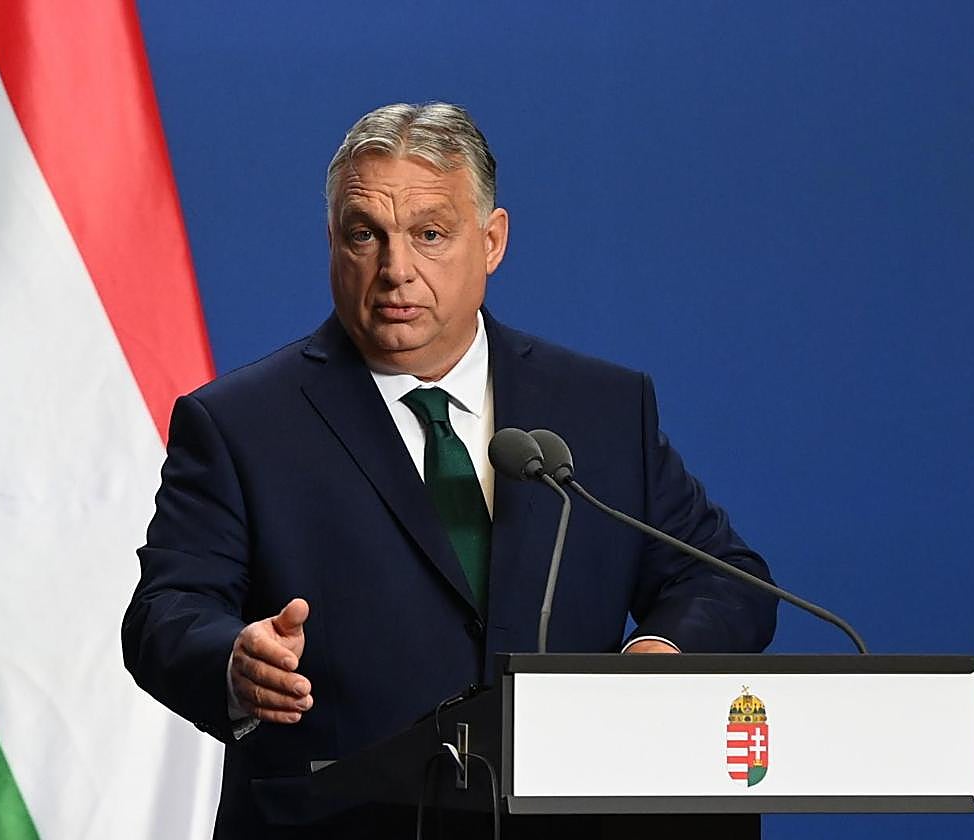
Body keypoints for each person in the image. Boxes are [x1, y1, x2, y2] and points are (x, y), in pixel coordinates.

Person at [122, 102, 776, 839]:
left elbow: (723, 577)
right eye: (364, 235)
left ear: (492, 242)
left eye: (430, 235)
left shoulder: (601, 408)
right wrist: (236, 663)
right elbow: (164, 614)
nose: (396, 270)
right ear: (332, 242)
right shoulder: (239, 424)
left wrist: (655, 655)